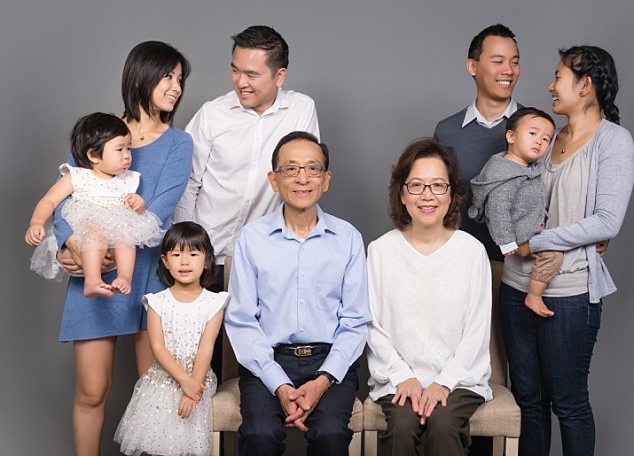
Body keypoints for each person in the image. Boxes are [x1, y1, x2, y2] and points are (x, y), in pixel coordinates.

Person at [49, 41, 193, 456]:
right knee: (93, 390)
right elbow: (65, 196)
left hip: (149, 272)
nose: (176, 88)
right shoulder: (100, 130)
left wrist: (119, 243)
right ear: (140, 76)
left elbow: (162, 208)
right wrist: (72, 244)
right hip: (93, 272)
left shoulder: (178, 144)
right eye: (168, 76)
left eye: (180, 80)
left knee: (155, 393)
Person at [502, 45, 634, 456]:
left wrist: (536, 242)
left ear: (585, 85)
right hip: (514, 287)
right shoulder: (545, 137)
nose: (549, 86)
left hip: (571, 295)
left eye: (558, 77)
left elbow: (606, 221)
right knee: (528, 402)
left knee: (569, 404)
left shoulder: (613, 141)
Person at [224, 131, 371, 455]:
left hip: (330, 361)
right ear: (274, 180)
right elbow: (242, 321)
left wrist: (322, 382)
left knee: (331, 433)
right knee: (259, 435)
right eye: (291, 169)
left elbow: (356, 321)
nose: (302, 178)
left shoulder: (347, 238)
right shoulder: (252, 239)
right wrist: (279, 383)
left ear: (326, 179)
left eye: (313, 169)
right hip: (267, 359)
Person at [366, 138, 492, 456]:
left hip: (460, 379)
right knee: (403, 427)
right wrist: (402, 375)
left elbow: (477, 331)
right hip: (398, 377)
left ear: (452, 194)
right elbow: (371, 324)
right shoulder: (380, 251)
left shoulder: (472, 253)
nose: (428, 196)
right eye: (417, 185)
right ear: (402, 193)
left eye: (438, 185)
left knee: (444, 423)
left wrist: (445, 381)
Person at [176, 25, 320, 291]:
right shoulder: (211, 114)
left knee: (254, 333)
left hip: (263, 259)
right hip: (205, 257)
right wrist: (188, 249)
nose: (240, 82)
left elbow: (304, 180)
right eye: (235, 70)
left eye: (252, 74)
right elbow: (187, 184)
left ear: (280, 76)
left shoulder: (300, 109)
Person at [114, 222, 226, 456]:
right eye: (176, 255)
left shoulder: (214, 302)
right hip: (163, 378)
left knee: (188, 436)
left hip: (199, 378)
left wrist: (192, 387)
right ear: (165, 261)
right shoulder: (157, 302)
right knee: (159, 442)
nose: (184, 262)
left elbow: (207, 347)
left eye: (193, 254)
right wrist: (183, 381)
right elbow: (157, 347)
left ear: (206, 261)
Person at [26, 113, 163, 297]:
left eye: (129, 149)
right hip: (88, 227)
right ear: (93, 155)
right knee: (94, 231)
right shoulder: (77, 176)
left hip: (115, 230)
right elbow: (49, 200)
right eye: (119, 149)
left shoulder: (128, 179)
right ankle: (92, 281)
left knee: (126, 236)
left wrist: (137, 203)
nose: (127, 156)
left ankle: (124, 276)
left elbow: (136, 208)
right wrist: (36, 222)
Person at [434, 23, 521, 266]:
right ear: (472, 66)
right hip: (460, 264)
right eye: (498, 61)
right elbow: (435, 196)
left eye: (515, 62)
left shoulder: (538, 131)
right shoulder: (446, 131)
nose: (509, 70)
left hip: (521, 270)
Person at [469, 107, 563, 315]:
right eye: (533, 133)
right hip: (517, 236)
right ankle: (534, 296)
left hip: (528, 228)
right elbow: (497, 209)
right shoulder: (506, 174)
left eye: (546, 139)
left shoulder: (527, 169)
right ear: (510, 136)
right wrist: (508, 242)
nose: (539, 141)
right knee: (554, 254)